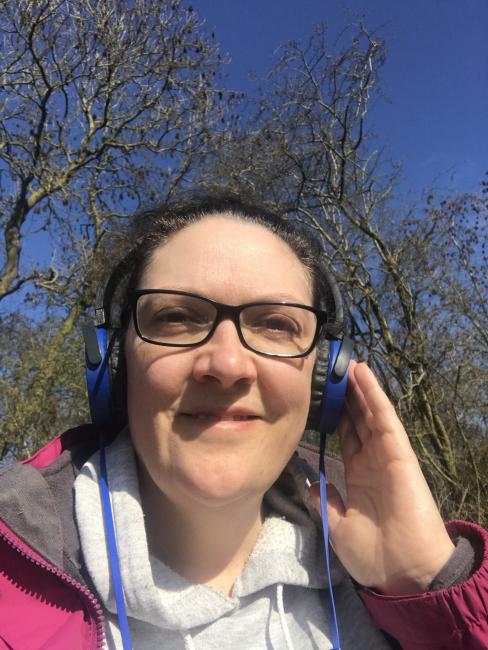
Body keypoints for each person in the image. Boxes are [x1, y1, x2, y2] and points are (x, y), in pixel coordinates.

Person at [0, 193, 486, 650]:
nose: (228, 364)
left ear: (325, 379)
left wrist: (429, 588)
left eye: (276, 324)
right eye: (176, 317)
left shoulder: (388, 575)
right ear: (114, 363)